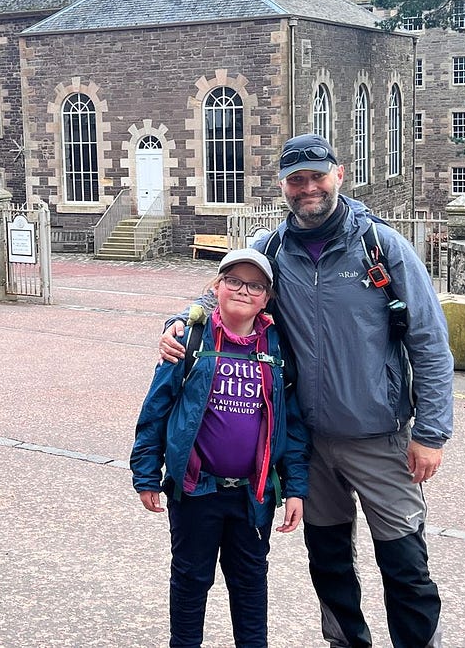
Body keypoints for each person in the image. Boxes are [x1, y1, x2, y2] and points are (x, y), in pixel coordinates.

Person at [159, 134, 454, 648]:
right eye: (297, 180)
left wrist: (431, 432)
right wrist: (178, 325)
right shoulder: (271, 250)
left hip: (379, 438)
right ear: (283, 186)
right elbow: (222, 293)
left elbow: (430, 340)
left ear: (340, 174)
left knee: (405, 567)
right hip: (310, 444)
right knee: (330, 565)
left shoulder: (380, 247)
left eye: (318, 176)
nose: (308, 188)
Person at [132, 247, 310, 648]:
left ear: (267, 298)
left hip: (253, 494)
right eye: (233, 281)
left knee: (250, 584)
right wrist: (145, 472)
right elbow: (156, 408)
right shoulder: (188, 339)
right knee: (191, 579)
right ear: (217, 287)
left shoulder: (279, 349)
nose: (243, 291)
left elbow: (293, 424)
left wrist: (296, 486)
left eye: (255, 286)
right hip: (196, 490)